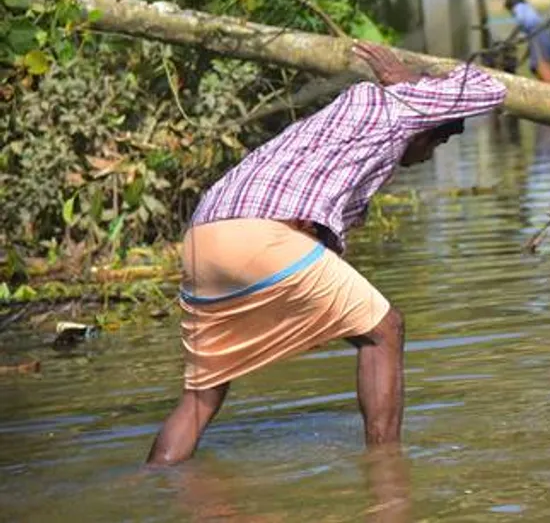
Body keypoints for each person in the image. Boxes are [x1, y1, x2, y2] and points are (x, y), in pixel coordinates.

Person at [146, 41, 507, 466]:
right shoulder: (398, 105)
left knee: (201, 394)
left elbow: (325, 241)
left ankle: (154, 481)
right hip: (261, 233)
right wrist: (408, 80)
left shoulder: (347, 126)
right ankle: (387, 470)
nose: (429, 157)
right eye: (436, 144)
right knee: (385, 330)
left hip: (202, 240)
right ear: (426, 126)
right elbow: (488, 88)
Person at [504, 0, 550, 84]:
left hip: (538, 38)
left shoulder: (518, 7)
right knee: (549, 64)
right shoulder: (528, 8)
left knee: (541, 64)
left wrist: (510, 38)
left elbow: (521, 22)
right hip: (544, 37)